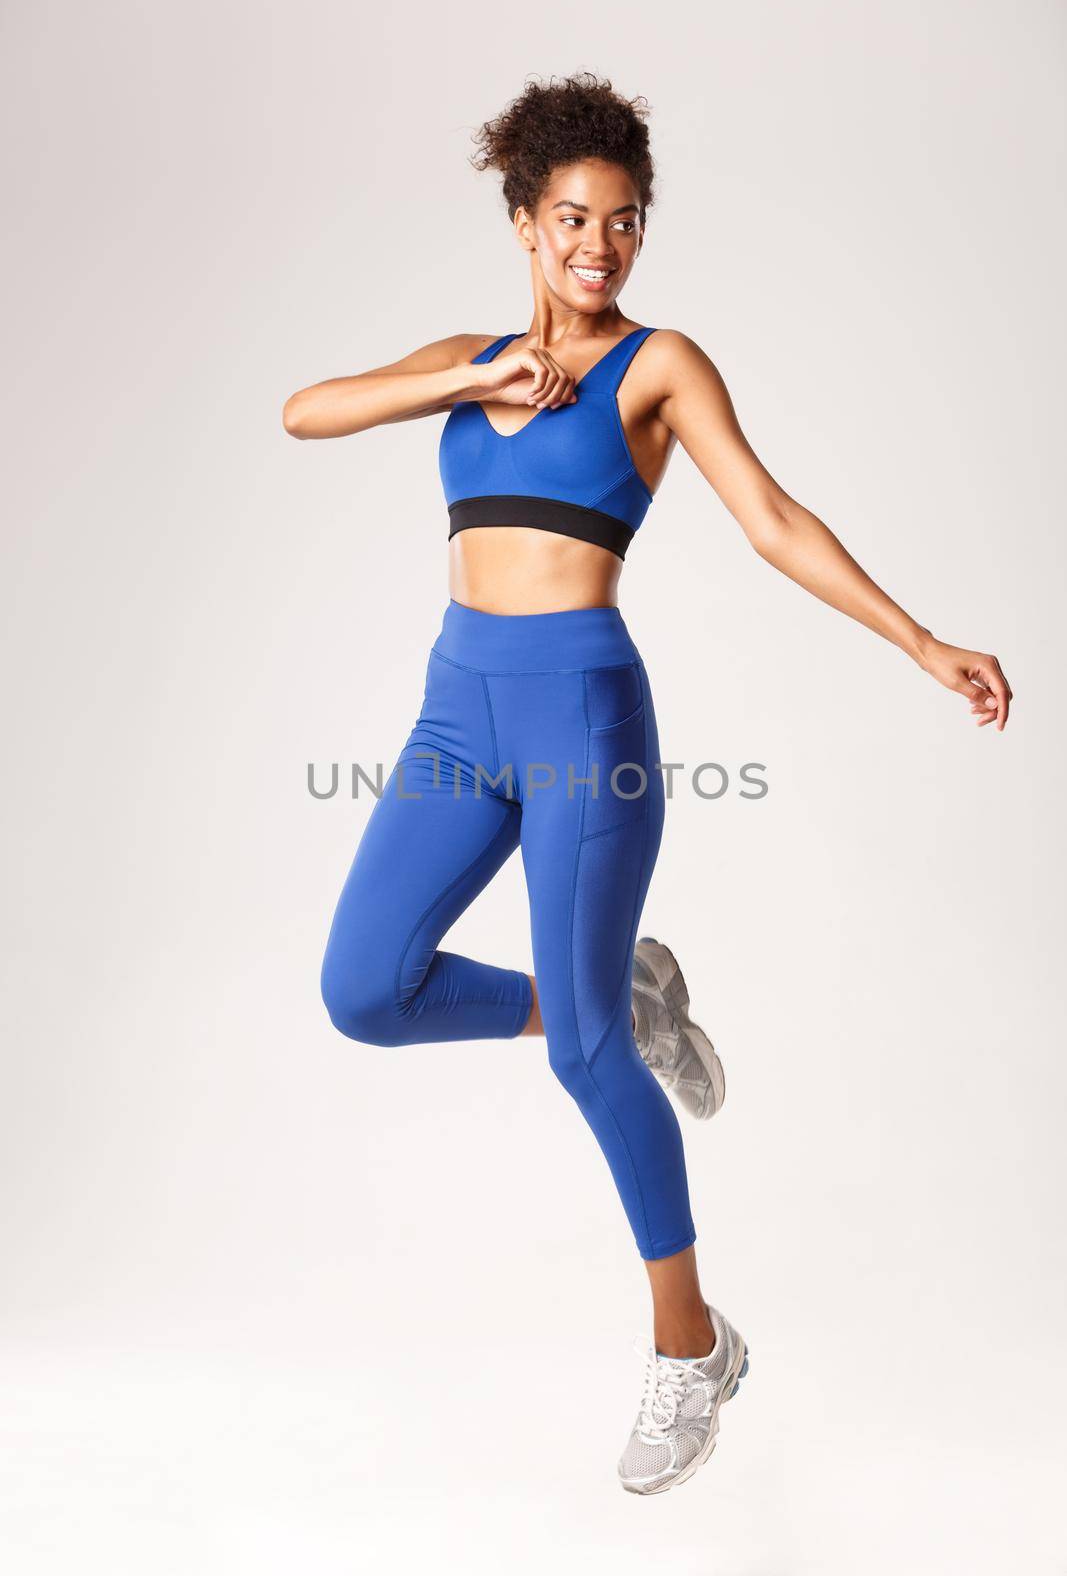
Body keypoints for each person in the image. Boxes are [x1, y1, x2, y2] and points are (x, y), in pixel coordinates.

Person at [282, 72, 1012, 1496]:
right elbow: (304, 411)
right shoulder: (473, 355)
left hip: (584, 718)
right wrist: (465, 378)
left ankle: (694, 1348)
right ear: (522, 222)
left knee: (584, 1064)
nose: (600, 249)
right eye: (572, 221)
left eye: (624, 224)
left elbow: (772, 518)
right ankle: (622, 994)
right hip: (456, 713)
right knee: (366, 989)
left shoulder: (658, 365)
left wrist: (921, 640)